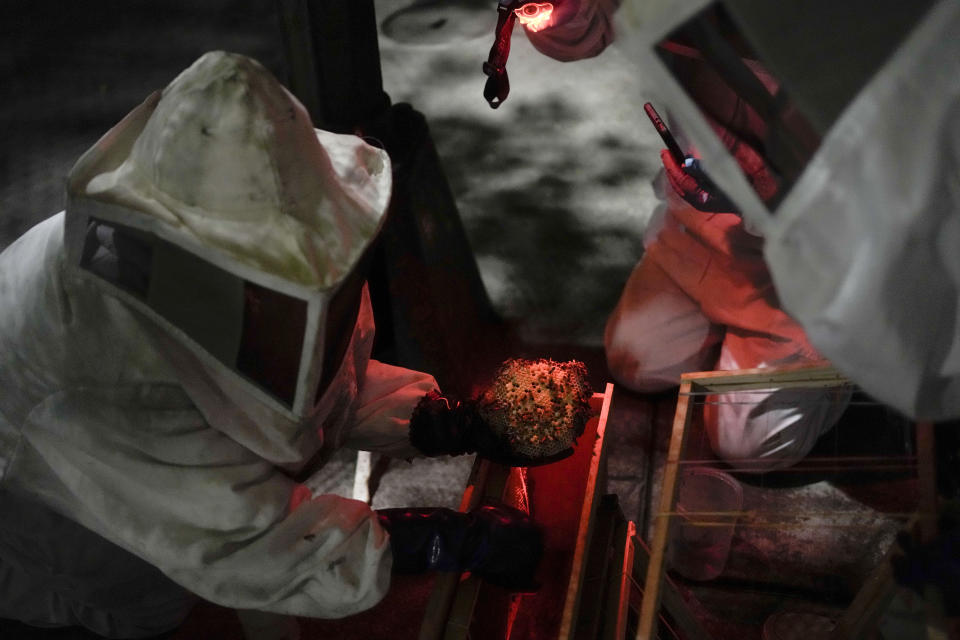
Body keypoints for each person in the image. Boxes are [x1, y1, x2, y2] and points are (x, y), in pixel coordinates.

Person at [0, 51, 546, 640]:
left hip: (192, 512)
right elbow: (249, 544)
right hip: (80, 554)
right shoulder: (97, 375)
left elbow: (313, 386)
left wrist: (439, 421)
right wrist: (436, 539)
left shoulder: (259, 270)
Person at [519, 0, 850, 471]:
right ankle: (728, 336)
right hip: (701, 230)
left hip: (811, 254)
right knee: (634, 360)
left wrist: (751, 190)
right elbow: (586, 30)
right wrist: (555, 10)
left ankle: (842, 355)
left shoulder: (842, 38)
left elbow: (864, 186)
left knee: (750, 450)